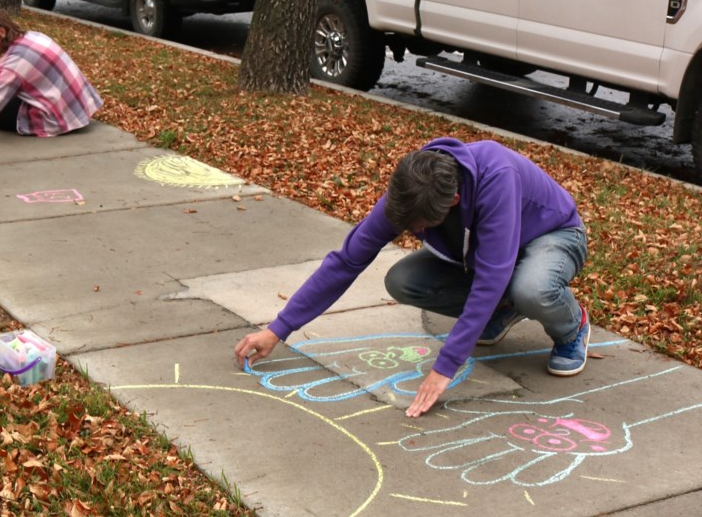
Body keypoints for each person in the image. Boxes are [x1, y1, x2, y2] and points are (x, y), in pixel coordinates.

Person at [234, 136, 589, 418]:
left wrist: (444, 368)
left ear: (452, 201)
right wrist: (278, 328)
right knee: (404, 280)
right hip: (491, 257)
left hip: (552, 236)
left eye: (417, 227)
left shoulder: (497, 178)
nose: (410, 230)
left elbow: (491, 277)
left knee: (532, 288)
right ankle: (506, 309)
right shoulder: (412, 188)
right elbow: (346, 261)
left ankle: (572, 327)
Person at [0, 8, 102, 141]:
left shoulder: (13, 62)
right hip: (79, 107)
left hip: (56, 118)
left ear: (1, 32)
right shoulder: (33, 36)